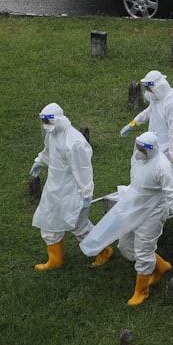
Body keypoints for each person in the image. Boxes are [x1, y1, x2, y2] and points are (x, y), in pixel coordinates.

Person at [80, 132, 173, 306]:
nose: (138, 152)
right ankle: (161, 267)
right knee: (125, 247)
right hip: (135, 207)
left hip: (153, 213)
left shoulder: (162, 166)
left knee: (144, 251)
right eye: (137, 147)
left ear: (152, 150)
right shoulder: (139, 158)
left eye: (142, 149)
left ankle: (142, 291)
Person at [29, 103, 112, 270]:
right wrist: (39, 162)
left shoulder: (74, 142)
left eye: (48, 120)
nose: (46, 125)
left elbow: (83, 170)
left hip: (73, 191)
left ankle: (104, 251)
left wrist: (86, 194)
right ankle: (55, 260)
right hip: (55, 188)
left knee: (78, 225)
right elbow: (48, 152)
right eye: (43, 121)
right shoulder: (52, 135)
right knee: (49, 223)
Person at [120, 70, 173, 165]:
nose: (147, 92)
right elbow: (149, 111)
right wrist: (133, 123)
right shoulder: (157, 98)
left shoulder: (172, 105)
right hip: (154, 148)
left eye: (148, 88)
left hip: (166, 152)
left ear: (158, 87)